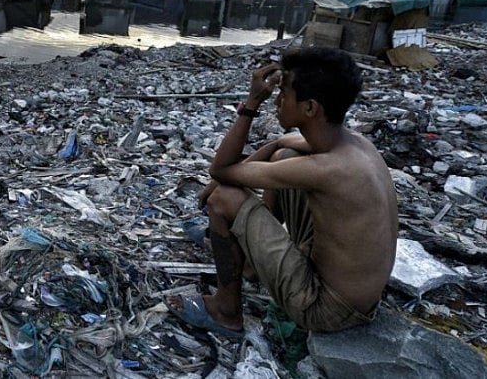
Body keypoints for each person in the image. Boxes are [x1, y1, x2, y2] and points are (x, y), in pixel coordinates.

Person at [170, 47, 398, 335]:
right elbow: (280, 144)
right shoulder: (354, 146)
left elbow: (221, 168)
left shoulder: (327, 170)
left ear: (310, 108)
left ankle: (225, 311)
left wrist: (252, 103)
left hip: (326, 308)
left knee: (223, 199)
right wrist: (225, 176)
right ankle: (251, 264)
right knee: (285, 156)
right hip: (353, 292)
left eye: (284, 94)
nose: (276, 100)